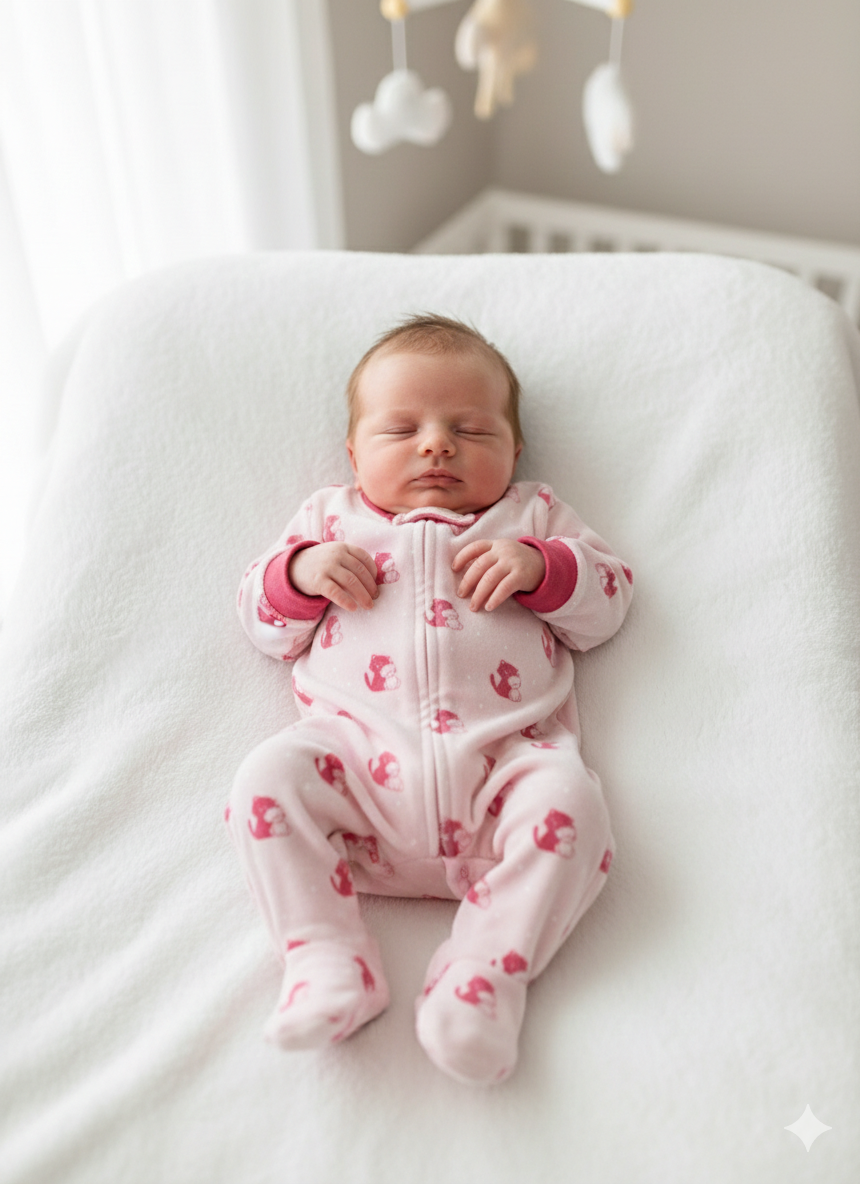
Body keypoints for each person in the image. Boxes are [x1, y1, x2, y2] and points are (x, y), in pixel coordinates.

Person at [227, 313, 633, 1085]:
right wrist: (300, 574)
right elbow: (261, 621)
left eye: (471, 429)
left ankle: (480, 980)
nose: (437, 444)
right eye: (402, 428)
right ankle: (326, 959)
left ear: (515, 450)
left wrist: (542, 568)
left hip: (503, 770)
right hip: (354, 770)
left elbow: (607, 606)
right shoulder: (329, 520)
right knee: (265, 780)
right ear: (354, 453)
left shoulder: (533, 517)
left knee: (573, 804)